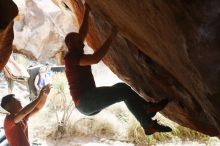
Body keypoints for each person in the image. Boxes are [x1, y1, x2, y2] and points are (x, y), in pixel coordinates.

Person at [64, 3, 172, 135]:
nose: (82, 42)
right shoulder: (71, 57)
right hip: (86, 101)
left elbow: (82, 33)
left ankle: (147, 123)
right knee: (124, 92)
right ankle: (147, 110)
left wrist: (86, 11)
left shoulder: (75, 52)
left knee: (122, 88)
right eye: (78, 41)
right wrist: (112, 36)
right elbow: (95, 59)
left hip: (88, 102)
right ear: (70, 44)